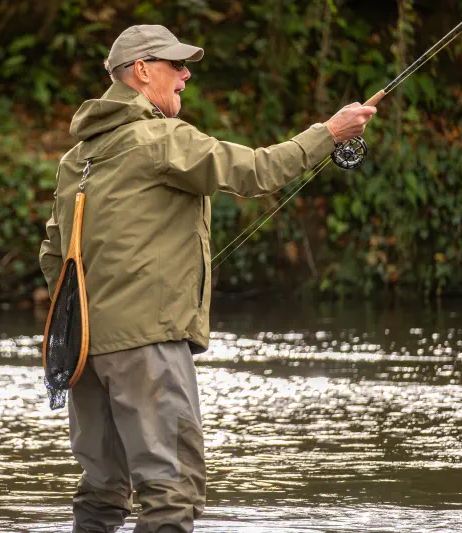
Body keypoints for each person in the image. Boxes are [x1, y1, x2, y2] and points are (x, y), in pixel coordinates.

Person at [39, 25, 376, 532]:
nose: (185, 75)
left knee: (102, 492)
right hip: (148, 346)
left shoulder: (77, 158)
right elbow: (256, 172)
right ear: (142, 71)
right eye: (176, 66)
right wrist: (329, 133)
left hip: (83, 350)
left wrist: (93, 319)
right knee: (171, 492)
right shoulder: (159, 138)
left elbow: (51, 252)